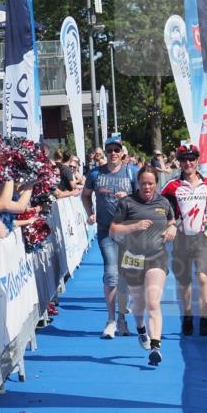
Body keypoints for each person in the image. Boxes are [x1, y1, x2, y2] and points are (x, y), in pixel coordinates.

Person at [109, 165, 176, 366]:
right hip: (132, 258)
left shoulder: (163, 202)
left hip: (157, 257)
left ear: (156, 184)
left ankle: (156, 347)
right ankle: (140, 328)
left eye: (151, 183)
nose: (147, 187)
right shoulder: (127, 202)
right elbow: (113, 230)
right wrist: (134, 226)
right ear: (138, 183)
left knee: (153, 302)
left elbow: (172, 221)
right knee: (138, 302)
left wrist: (172, 229)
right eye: (143, 183)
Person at [83, 134, 139, 338]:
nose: (113, 154)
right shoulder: (95, 174)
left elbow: (144, 200)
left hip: (129, 231)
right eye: (110, 150)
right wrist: (90, 213)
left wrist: (129, 198)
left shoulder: (132, 172)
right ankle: (111, 320)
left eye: (117, 150)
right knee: (112, 274)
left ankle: (123, 319)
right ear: (105, 153)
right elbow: (85, 195)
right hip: (106, 230)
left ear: (123, 152)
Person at [162, 144, 207, 336]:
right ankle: (187, 316)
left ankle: (204, 320)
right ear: (179, 162)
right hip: (181, 239)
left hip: (202, 238)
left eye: (191, 159)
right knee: (184, 281)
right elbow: (161, 206)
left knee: (202, 277)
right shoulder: (172, 186)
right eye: (184, 160)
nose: (188, 163)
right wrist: (170, 223)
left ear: (197, 160)